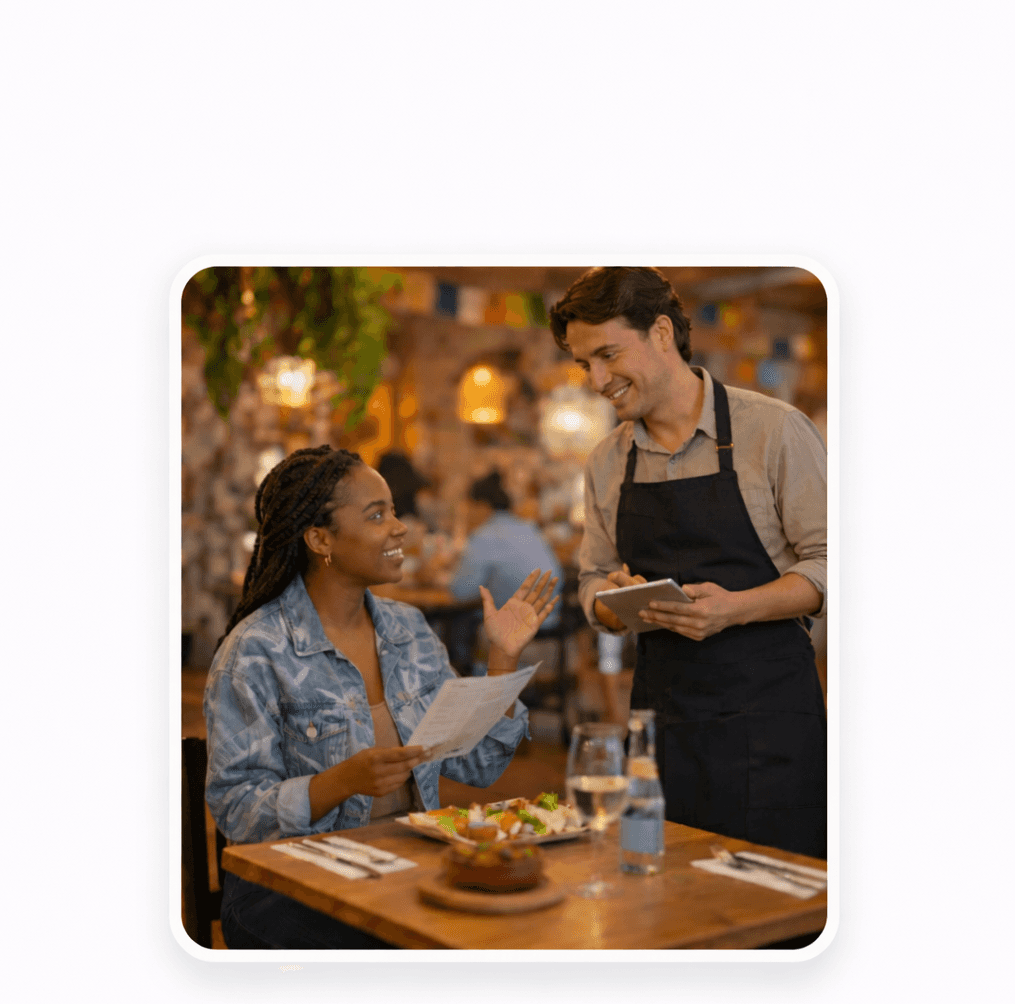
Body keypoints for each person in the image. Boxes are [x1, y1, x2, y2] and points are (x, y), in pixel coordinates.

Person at [204, 446, 558, 948]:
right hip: (292, 887)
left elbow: (477, 766)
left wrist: (501, 657)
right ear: (320, 538)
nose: (399, 527)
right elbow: (237, 810)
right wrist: (339, 782)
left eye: (393, 511)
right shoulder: (257, 651)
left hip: (409, 867)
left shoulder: (408, 630)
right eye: (377, 515)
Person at [550, 267, 827, 860]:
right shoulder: (607, 460)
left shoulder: (774, 431)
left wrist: (736, 609)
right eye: (584, 365)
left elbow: (834, 563)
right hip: (661, 722)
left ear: (660, 333)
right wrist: (612, 603)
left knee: (774, 902)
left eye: (606, 355)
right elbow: (592, 577)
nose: (597, 380)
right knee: (662, 891)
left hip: (769, 720)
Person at [442, 470, 563, 673]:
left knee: (455, 626)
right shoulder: (529, 528)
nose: (467, 513)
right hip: (552, 626)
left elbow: (460, 591)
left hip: (516, 633)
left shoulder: (485, 535)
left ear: (481, 506)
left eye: (469, 507)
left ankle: (463, 689)